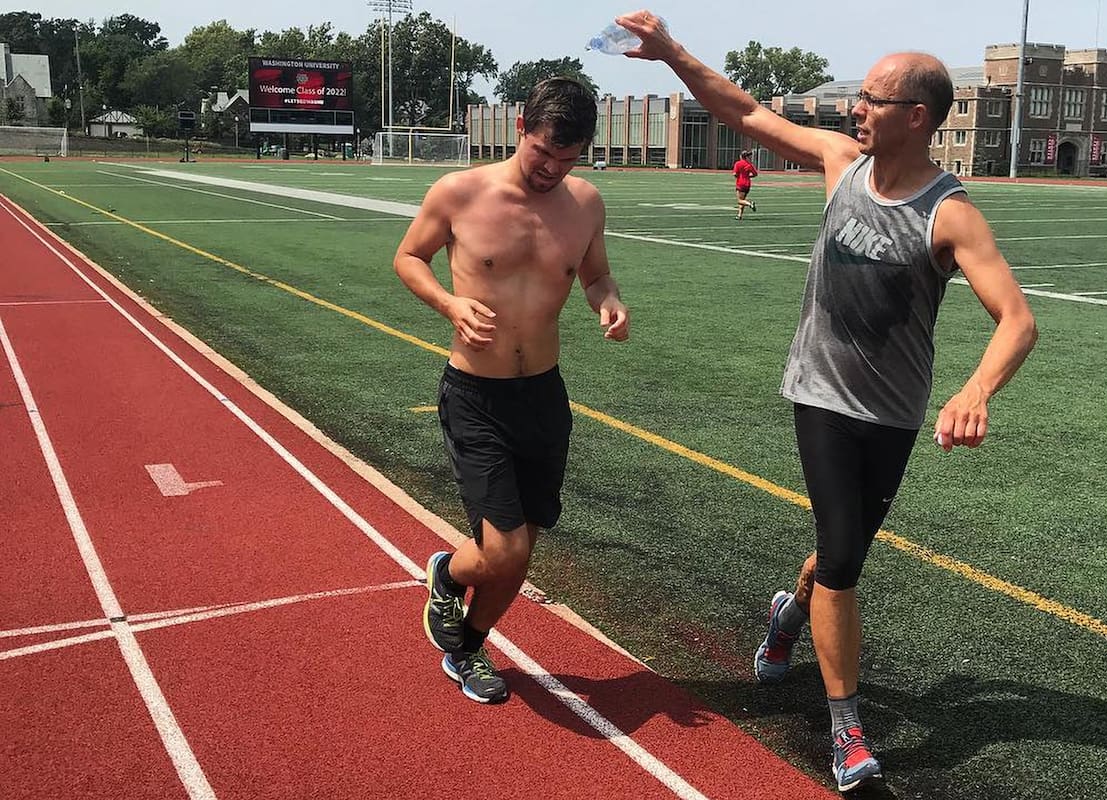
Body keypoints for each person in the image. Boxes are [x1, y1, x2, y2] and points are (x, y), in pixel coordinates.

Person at [615, 11, 1037, 792]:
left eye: (873, 98)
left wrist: (975, 389)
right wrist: (673, 53)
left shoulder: (950, 213)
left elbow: (1017, 318)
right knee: (843, 559)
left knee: (843, 555)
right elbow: (743, 111)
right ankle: (847, 733)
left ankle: (787, 614)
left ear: (916, 116)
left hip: (895, 413)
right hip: (820, 393)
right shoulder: (840, 162)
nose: (857, 109)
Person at [393, 77, 630, 704]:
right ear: (520, 127)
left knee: (518, 554)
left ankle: (466, 642)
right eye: (543, 153)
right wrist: (450, 304)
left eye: (568, 158)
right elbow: (408, 257)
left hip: (544, 398)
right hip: (476, 394)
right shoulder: (460, 192)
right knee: (505, 550)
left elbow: (597, 274)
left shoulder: (585, 203)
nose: (552, 169)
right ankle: (453, 577)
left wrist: (609, 302)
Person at [732, 149, 758, 220]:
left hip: (740, 184)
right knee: (743, 200)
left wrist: (738, 176)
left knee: (739, 200)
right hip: (747, 184)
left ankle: (750, 204)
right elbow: (755, 174)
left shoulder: (738, 163)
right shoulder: (749, 165)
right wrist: (748, 176)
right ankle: (739, 215)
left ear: (741, 156)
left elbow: (735, 174)